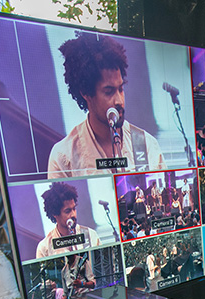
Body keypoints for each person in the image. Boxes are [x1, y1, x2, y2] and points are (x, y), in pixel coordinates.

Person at [47, 33, 164, 178]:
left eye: (121, 89)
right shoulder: (63, 157)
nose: (119, 101)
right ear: (86, 93)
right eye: (109, 92)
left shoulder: (148, 145)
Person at [36, 182, 101, 258]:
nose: (73, 214)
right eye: (67, 211)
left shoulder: (90, 235)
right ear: (55, 214)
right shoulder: (44, 247)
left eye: (74, 209)